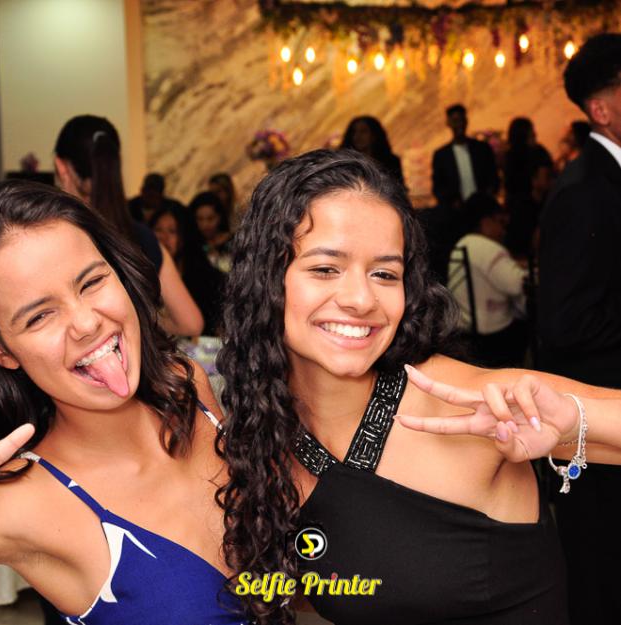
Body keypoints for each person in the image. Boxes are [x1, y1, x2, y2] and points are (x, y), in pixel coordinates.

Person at [216, 148, 621, 625]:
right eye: (326, 269)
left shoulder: (459, 403)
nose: (361, 299)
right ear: (266, 280)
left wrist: (572, 422)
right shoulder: (268, 433)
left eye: (385, 274)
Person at [0, 180, 247, 624]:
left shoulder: (188, 387)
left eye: (92, 282)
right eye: (39, 316)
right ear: (4, 352)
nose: (86, 323)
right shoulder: (25, 498)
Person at [538, 33, 621, 625]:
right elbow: (565, 321)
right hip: (596, 420)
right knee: (603, 573)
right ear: (602, 109)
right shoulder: (584, 191)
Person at [54, 115, 203, 337]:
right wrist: (140, 316)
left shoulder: (54, 242)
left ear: (62, 167)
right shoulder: (142, 236)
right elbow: (191, 323)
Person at [448, 192, 528, 367]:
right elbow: (516, 283)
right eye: (500, 222)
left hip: (463, 331)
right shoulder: (487, 247)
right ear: (485, 222)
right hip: (491, 338)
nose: (503, 230)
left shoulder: (463, 244)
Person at [150, 206, 226, 335]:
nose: (163, 237)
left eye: (172, 231)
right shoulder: (143, 277)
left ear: (185, 236)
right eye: (158, 230)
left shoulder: (207, 280)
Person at [431, 104, 499, 209]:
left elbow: (493, 177)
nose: (460, 124)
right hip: (455, 212)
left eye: (462, 120)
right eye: (455, 121)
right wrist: (451, 203)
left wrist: (487, 196)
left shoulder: (482, 149)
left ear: (466, 121)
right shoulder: (441, 156)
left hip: (483, 208)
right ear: (449, 123)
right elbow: (438, 188)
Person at [340, 116, 404, 184]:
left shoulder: (391, 162)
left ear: (374, 135)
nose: (357, 136)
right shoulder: (344, 162)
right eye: (353, 132)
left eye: (363, 131)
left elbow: (398, 187)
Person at [503, 117, 553, 202]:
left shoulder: (509, 156)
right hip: (535, 202)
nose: (535, 134)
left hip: (515, 204)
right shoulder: (539, 152)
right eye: (531, 130)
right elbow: (542, 183)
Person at [188, 191, 233, 273]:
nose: (205, 225)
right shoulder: (191, 244)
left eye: (210, 218)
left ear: (220, 217)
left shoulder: (234, 242)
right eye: (200, 219)